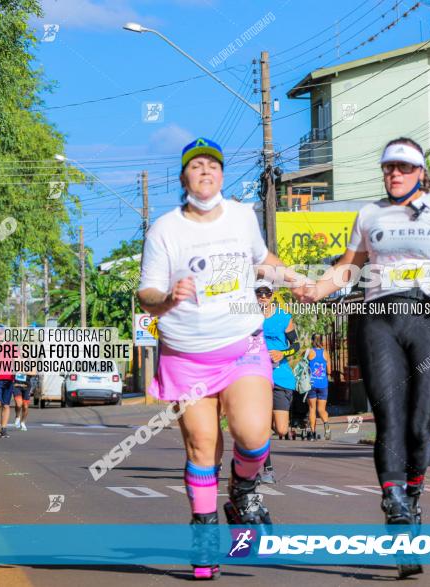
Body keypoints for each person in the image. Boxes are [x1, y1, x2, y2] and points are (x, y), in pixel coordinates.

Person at [299, 137, 430, 579]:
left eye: (404, 167)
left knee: (420, 425)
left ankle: (414, 500)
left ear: (420, 172)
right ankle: (394, 502)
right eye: (389, 168)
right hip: (380, 317)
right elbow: (348, 267)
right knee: (389, 418)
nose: (395, 174)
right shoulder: (369, 214)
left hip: (429, 316)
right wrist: (316, 289)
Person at [137, 136, 307, 580]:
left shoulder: (241, 216)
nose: (206, 172)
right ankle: (205, 531)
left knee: (253, 436)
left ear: (222, 175)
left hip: (241, 345)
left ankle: (245, 492)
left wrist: (294, 277)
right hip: (186, 356)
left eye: (213, 165)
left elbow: (262, 258)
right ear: (184, 178)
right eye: (196, 167)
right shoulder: (164, 230)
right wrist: (167, 297)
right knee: (202, 446)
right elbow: (146, 293)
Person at [256, 279, 299, 481]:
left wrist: (283, 353)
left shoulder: (284, 317)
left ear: (272, 295)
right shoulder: (249, 318)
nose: (263, 297)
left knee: (281, 428)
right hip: (257, 376)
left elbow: (296, 345)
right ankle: (268, 470)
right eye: (259, 293)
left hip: (281, 376)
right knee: (262, 426)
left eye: (266, 293)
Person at [306, 334, 331, 441]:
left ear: (312, 341)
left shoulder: (309, 352)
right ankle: (327, 428)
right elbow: (329, 371)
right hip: (323, 384)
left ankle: (312, 433)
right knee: (321, 409)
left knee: (312, 409)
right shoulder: (326, 353)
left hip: (311, 384)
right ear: (322, 340)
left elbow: (303, 367)